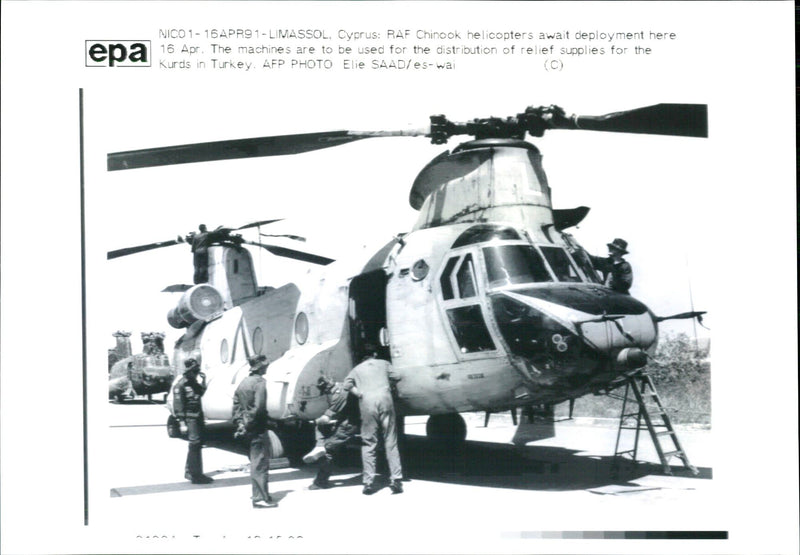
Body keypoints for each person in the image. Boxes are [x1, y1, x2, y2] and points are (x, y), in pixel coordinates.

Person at [344, 353, 404, 495]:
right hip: (385, 400)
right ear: (375, 355)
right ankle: (396, 479)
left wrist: (358, 393)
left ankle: (368, 483)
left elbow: (347, 384)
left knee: (369, 443)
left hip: (367, 402)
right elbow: (398, 376)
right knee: (391, 441)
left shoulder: (357, 369)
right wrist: (389, 385)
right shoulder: (383, 363)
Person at [233, 355, 277, 508]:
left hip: (248, 428)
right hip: (257, 428)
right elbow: (258, 408)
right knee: (260, 463)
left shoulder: (243, 383)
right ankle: (260, 498)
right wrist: (248, 423)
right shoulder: (260, 383)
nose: (267, 367)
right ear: (259, 367)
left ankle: (259, 493)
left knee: (255, 462)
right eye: (265, 365)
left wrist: (240, 423)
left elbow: (236, 405)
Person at [305, 379, 362, 490]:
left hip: (349, 425)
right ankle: (319, 446)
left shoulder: (338, 395)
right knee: (321, 430)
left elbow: (326, 418)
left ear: (326, 388)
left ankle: (320, 482)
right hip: (349, 421)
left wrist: (315, 421)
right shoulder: (342, 387)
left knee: (328, 450)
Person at [172, 358, 213, 484]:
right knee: (194, 443)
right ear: (188, 371)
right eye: (194, 371)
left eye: (197, 371)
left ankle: (190, 471)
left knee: (197, 444)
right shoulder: (181, 385)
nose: (195, 373)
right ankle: (196, 475)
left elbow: (201, 392)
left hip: (197, 417)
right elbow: (178, 406)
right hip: (190, 418)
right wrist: (182, 423)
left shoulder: (193, 383)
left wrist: (204, 380)